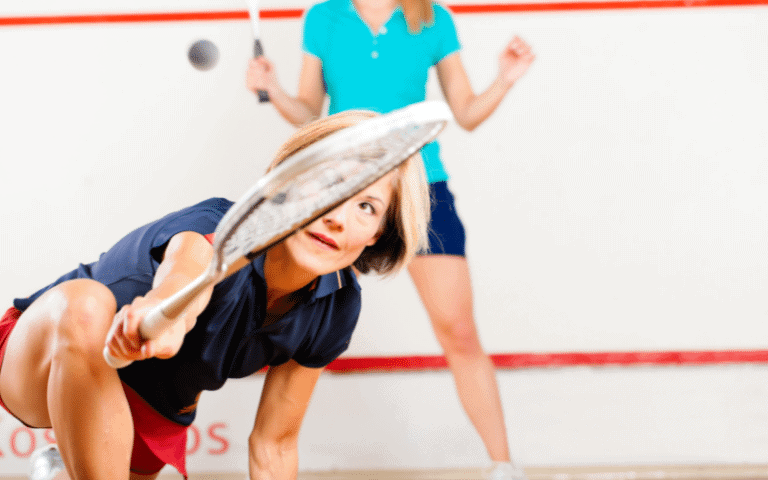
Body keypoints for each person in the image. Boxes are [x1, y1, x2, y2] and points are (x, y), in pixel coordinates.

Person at [0, 110, 431, 480]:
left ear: (379, 234)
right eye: (331, 185)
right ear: (292, 179)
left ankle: (59, 465)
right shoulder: (217, 225)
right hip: (41, 358)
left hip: (147, 415)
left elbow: (275, 444)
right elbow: (186, 266)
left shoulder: (336, 305)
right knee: (85, 306)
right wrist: (168, 317)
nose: (338, 216)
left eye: (367, 207)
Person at [245, 1, 535, 479]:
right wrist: (272, 89)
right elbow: (308, 114)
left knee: (459, 332)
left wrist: (505, 78)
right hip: (340, 191)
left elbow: (465, 113)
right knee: (302, 323)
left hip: (422, 189)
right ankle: (273, 458)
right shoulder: (324, 18)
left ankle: (504, 467)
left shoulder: (433, 18)